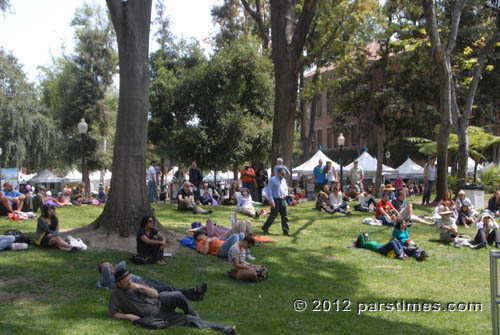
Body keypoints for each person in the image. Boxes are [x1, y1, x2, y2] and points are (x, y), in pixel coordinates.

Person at [108, 268, 236, 334]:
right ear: (119, 283)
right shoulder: (116, 294)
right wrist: (129, 317)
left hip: (159, 301)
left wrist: (140, 286)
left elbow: (155, 294)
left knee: (177, 295)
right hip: (155, 314)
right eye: (127, 281)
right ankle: (223, 329)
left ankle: (193, 313)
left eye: (130, 279)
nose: (130, 282)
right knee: (188, 320)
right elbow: (113, 313)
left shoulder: (135, 283)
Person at [98, 261, 207, 301]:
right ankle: (194, 292)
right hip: (142, 285)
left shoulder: (116, 272)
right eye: (108, 267)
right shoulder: (108, 280)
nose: (110, 267)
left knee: (168, 288)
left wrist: (113, 268)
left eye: (110, 265)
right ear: (103, 272)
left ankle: (194, 296)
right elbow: (106, 270)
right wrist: (106, 267)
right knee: (169, 289)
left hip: (146, 280)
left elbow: (123, 263)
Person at [261, 167, 291, 236]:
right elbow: (269, 191)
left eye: (284, 174)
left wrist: (285, 194)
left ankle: (286, 231)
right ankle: (265, 227)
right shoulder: (272, 180)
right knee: (273, 215)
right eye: (282, 174)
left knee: (285, 215)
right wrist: (271, 201)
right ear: (278, 173)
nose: (283, 176)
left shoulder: (284, 180)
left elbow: (286, 189)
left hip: (282, 200)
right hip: (275, 199)